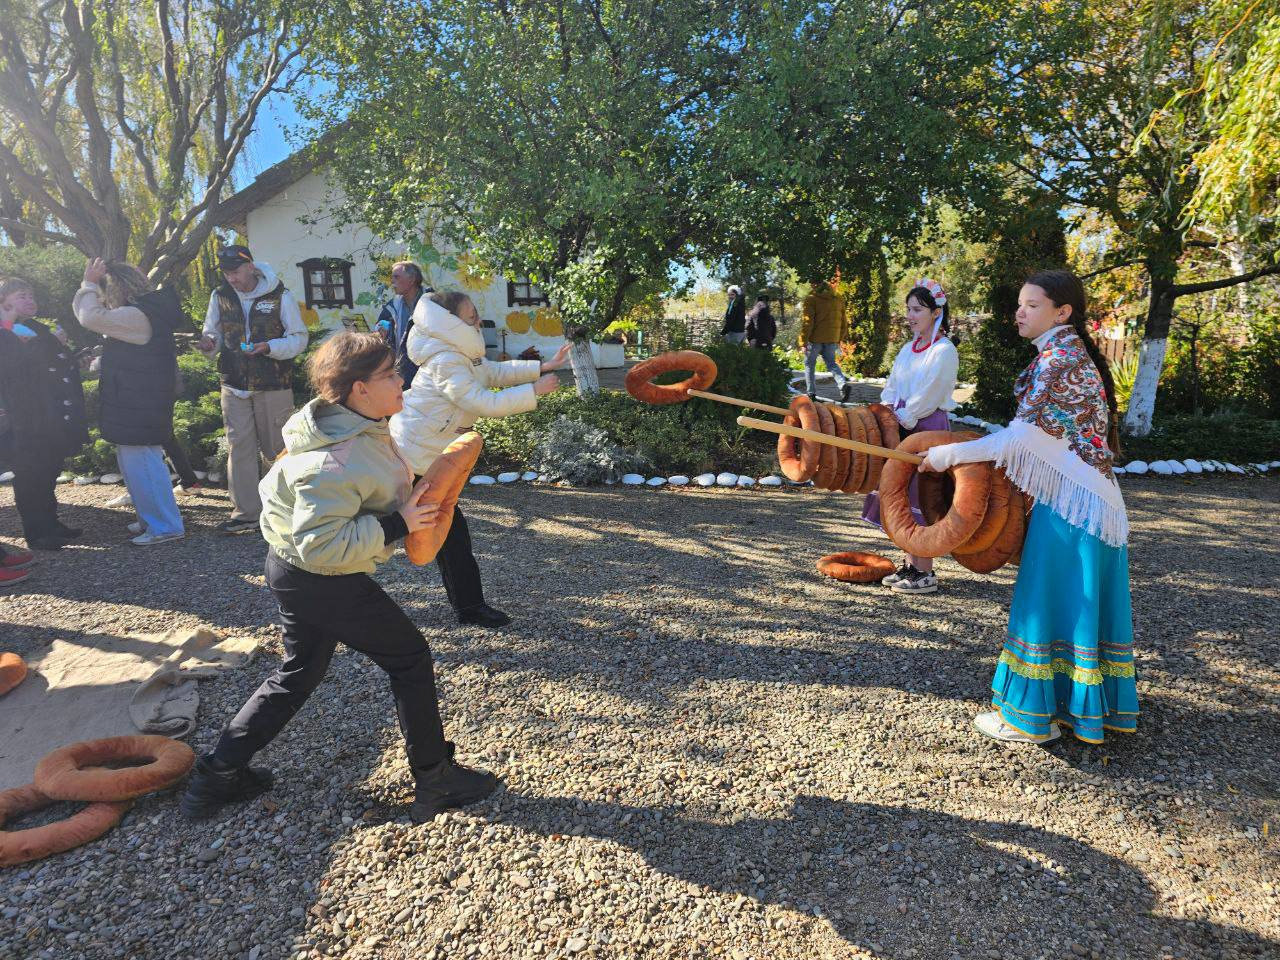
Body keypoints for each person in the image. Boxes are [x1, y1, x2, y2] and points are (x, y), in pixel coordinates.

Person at [180, 332, 497, 822]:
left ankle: (217, 775)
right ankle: (436, 779)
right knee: (410, 657)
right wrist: (398, 524)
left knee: (298, 673)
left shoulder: (353, 425)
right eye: (390, 373)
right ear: (358, 388)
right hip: (319, 575)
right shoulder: (333, 458)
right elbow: (320, 542)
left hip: (298, 570)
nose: (401, 380)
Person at [920, 269, 1136, 745]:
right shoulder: (1065, 354)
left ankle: (1029, 718)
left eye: (1032, 305)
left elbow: (1022, 439)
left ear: (1063, 312)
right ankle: (1074, 710)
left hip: (1073, 509)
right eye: (1019, 303)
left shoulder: (1059, 359)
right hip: (1090, 506)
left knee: (1044, 601)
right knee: (1072, 604)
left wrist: (948, 454)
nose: (1020, 312)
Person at [391, 291, 569, 627]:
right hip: (413, 457)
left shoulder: (460, 352)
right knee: (378, 532)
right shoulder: (445, 358)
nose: (476, 316)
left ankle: (469, 607)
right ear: (451, 321)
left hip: (431, 456)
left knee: (450, 534)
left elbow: (492, 373)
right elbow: (481, 401)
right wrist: (534, 391)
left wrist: (541, 367)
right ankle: (331, 592)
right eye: (470, 312)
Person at [72, 259, 187, 545]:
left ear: (117, 289)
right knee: (136, 462)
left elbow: (89, 317)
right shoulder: (146, 312)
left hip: (139, 400)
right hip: (139, 398)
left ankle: (165, 526)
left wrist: (88, 283)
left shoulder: (137, 314)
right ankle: (152, 519)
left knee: (144, 463)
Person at [198, 245, 308, 534]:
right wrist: (209, 344)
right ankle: (246, 513)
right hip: (233, 383)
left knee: (278, 449)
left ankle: (283, 511)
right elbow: (213, 333)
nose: (231, 278)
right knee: (239, 449)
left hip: (273, 382)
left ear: (250, 266)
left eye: (234, 272)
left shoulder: (279, 294)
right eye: (226, 273)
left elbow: (299, 338)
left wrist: (270, 347)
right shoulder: (219, 296)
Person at [862, 278, 960, 594]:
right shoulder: (908, 349)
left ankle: (925, 571)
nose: (911, 315)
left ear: (936, 312)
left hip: (926, 425)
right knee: (900, 492)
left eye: (917, 309)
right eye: (908, 309)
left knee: (922, 493)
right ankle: (909, 565)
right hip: (901, 424)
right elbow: (892, 384)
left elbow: (931, 392)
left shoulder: (944, 351)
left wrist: (904, 417)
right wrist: (887, 413)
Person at [0, 277, 88, 551]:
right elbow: (16, 365)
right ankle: (36, 532)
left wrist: (71, 356)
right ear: (5, 302)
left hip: (48, 411)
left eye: (32, 295)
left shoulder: (36, 327)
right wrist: (50, 342)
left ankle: (51, 522)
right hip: (23, 414)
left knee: (49, 468)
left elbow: (48, 362)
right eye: (22, 295)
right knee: (30, 473)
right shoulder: (6, 330)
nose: (30, 300)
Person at [376, 260, 433, 387]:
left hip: (426, 370)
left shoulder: (432, 303)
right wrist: (382, 327)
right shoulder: (394, 304)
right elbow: (381, 322)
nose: (392, 281)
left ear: (412, 279)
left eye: (396, 277)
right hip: (401, 370)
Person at [800, 278, 852, 402]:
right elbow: (844, 321)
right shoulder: (838, 298)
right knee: (831, 363)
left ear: (814, 284)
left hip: (815, 339)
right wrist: (839, 338)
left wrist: (803, 341)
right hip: (831, 338)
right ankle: (842, 384)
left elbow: (808, 322)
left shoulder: (811, 299)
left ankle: (811, 393)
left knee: (809, 364)